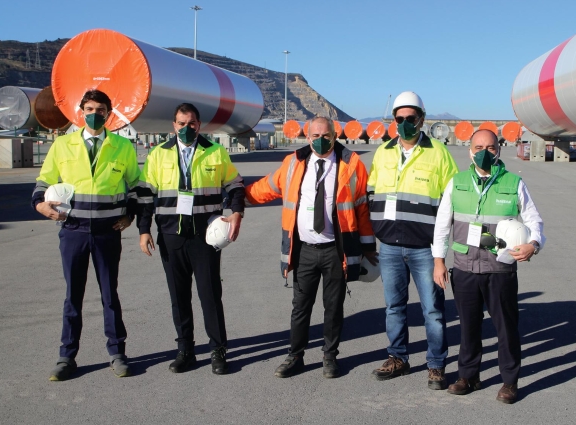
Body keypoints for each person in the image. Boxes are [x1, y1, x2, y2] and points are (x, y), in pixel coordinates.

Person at [246, 116, 376, 379]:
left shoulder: (351, 164)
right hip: (304, 249)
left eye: (326, 135)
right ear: (307, 137)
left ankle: (330, 356)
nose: (320, 140)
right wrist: (239, 196)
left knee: (333, 307)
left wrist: (368, 245)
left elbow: (361, 207)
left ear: (334, 134)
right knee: (300, 306)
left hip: (335, 250)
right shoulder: (293, 163)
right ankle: (295, 355)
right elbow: (268, 187)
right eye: (315, 136)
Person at [32, 89, 140, 381]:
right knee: (73, 296)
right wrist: (40, 204)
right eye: (90, 108)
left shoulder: (122, 146)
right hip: (73, 232)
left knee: (109, 296)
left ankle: (117, 353)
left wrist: (130, 214)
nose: (95, 113)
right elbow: (43, 181)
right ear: (81, 111)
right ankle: (66, 357)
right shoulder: (62, 145)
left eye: (101, 109)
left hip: (107, 233)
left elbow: (135, 187)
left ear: (109, 113)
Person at [432, 129, 545, 404]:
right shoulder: (456, 182)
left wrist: (534, 244)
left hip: (500, 269)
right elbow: (441, 225)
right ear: (470, 150)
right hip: (465, 268)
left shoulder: (513, 182)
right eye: (479, 146)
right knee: (468, 327)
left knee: (506, 327)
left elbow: (535, 221)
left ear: (499, 150)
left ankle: (509, 382)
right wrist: (438, 261)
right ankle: (468, 376)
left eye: (491, 147)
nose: (484, 152)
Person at [136, 103, 244, 375]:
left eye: (191, 123)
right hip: (171, 236)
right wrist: (144, 229)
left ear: (199, 125)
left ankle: (218, 350)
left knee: (210, 295)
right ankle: (185, 350)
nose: (186, 128)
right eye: (181, 123)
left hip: (204, 237)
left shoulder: (216, 152)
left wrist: (237, 214)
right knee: (179, 296)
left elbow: (235, 185)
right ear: (174, 125)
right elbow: (146, 195)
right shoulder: (158, 155)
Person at [367, 92, 459, 390]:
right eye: (399, 119)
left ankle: (436, 365)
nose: (405, 124)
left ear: (421, 119)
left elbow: (452, 199)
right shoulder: (383, 153)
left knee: (432, 309)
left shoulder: (438, 153)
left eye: (411, 118)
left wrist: (443, 251)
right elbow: (371, 192)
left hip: (424, 248)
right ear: (393, 121)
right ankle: (398, 358)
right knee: (394, 306)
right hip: (390, 245)